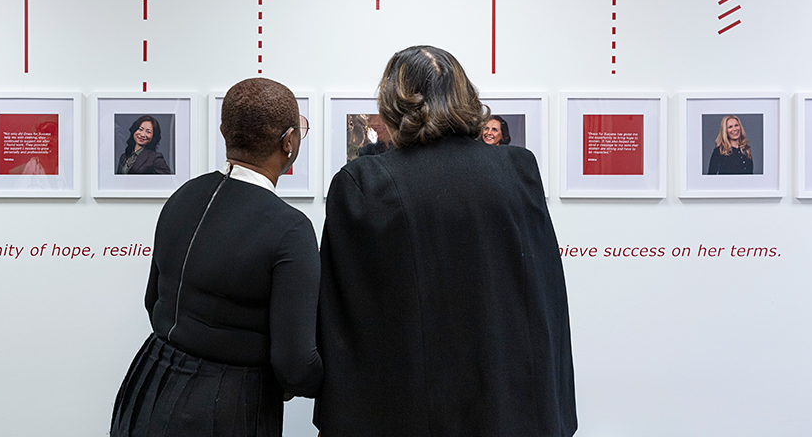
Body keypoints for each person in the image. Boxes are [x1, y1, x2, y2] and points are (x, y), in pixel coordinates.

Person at [315, 46, 576, 437]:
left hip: (410, 412)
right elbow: (546, 300)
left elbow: (343, 321)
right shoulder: (518, 170)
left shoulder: (363, 184)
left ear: (392, 102)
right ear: (465, 97)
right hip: (513, 409)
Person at [110, 78, 322, 437]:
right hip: (227, 407)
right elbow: (296, 365)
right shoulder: (290, 230)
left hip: (146, 388)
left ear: (224, 132)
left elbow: (153, 301)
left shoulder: (183, 196)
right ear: (289, 142)